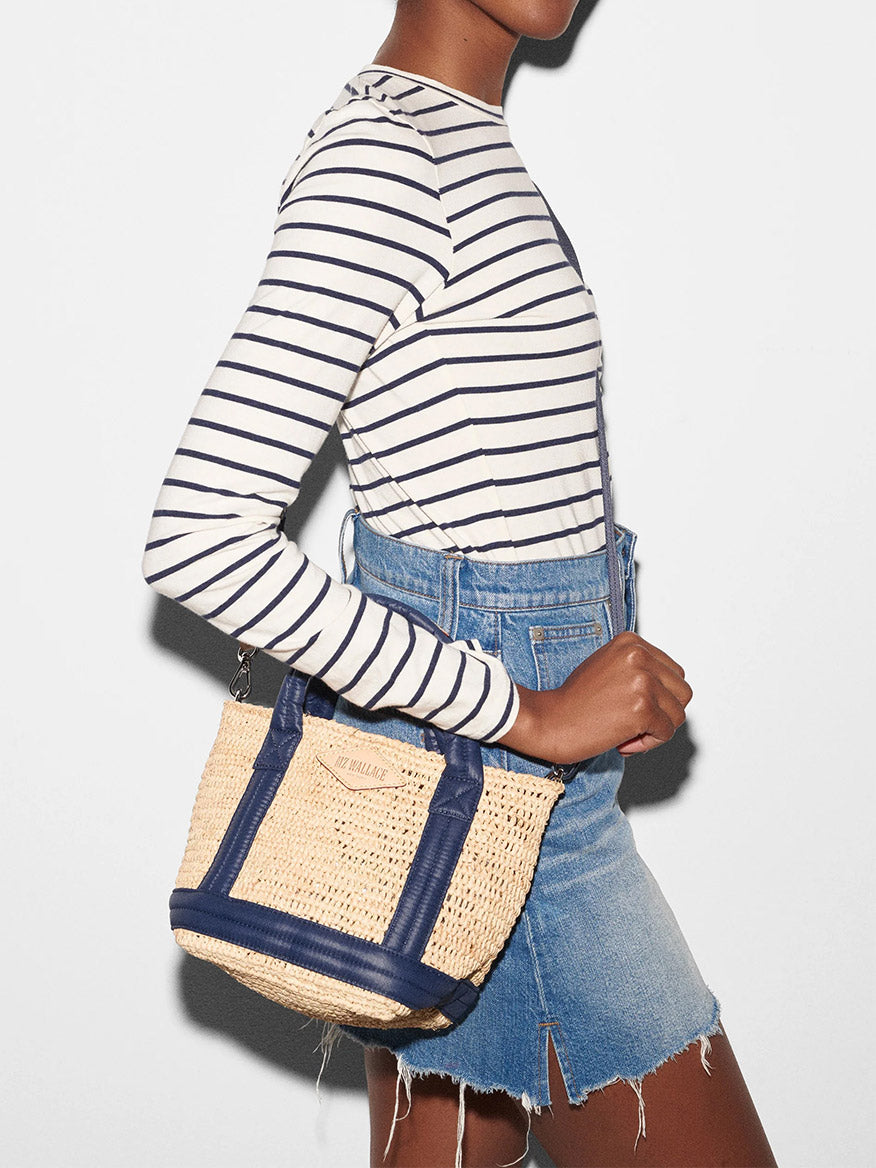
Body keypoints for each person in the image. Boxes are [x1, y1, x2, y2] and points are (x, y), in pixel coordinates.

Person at [142, 1, 777, 1164]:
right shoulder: (386, 160)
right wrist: (530, 708)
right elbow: (200, 535)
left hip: (503, 814)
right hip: (498, 806)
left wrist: (597, 650)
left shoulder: (456, 140)